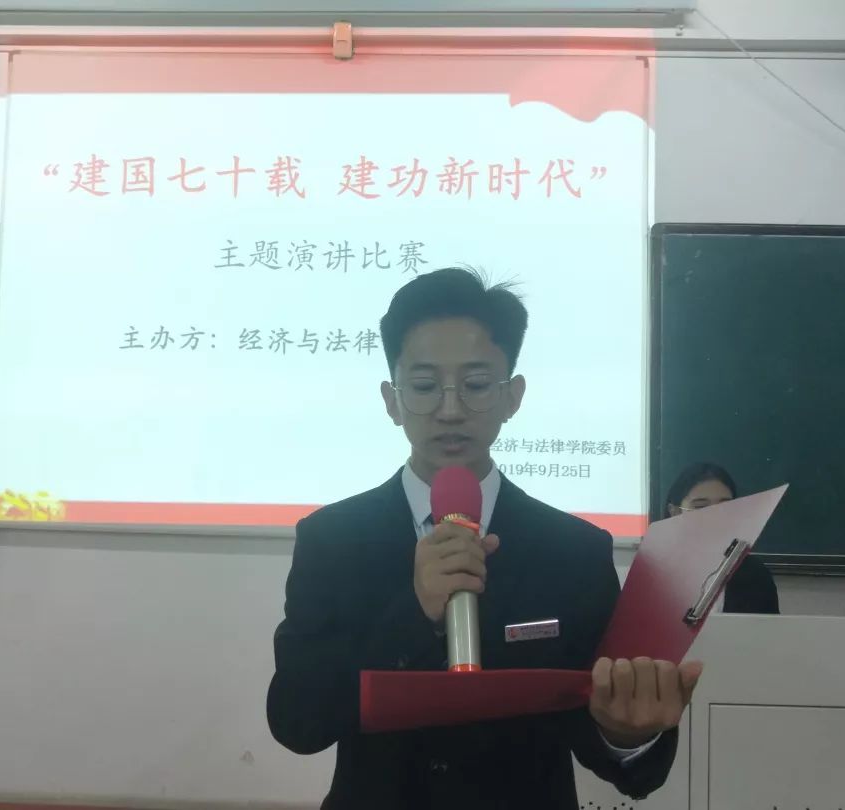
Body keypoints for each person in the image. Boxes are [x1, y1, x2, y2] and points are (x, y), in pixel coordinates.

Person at [267, 267, 701, 810]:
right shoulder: (332, 539)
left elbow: (606, 743)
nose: (450, 410)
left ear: (512, 397)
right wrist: (414, 615)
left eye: (475, 385)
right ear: (391, 400)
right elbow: (297, 721)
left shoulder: (573, 550)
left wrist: (626, 732)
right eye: (424, 386)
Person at [664, 462, 780, 615]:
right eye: (701, 507)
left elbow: (768, 629)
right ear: (675, 512)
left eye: (726, 506)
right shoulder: (655, 570)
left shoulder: (755, 574)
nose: (716, 516)